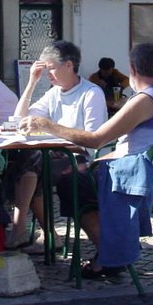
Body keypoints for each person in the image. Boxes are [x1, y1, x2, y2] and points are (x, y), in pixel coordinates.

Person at [19, 42, 153, 278]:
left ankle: (110, 255)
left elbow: (96, 139)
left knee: (70, 183)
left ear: (133, 69)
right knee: (80, 178)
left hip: (139, 185)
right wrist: (94, 163)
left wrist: (48, 126)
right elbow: (129, 146)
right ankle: (113, 247)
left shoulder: (144, 100)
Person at [9, 40, 108, 251]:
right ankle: (38, 233)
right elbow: (19, 119)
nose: (48, 75)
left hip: (82, 159)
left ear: (69, 65)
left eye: (51, 68)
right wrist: (31, 83)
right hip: (54, 155)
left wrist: (50, 128)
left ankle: (24, 231)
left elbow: (93, 140)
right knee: (24, 164)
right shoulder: (54, 92)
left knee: (29, 167)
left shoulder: (91, 93)